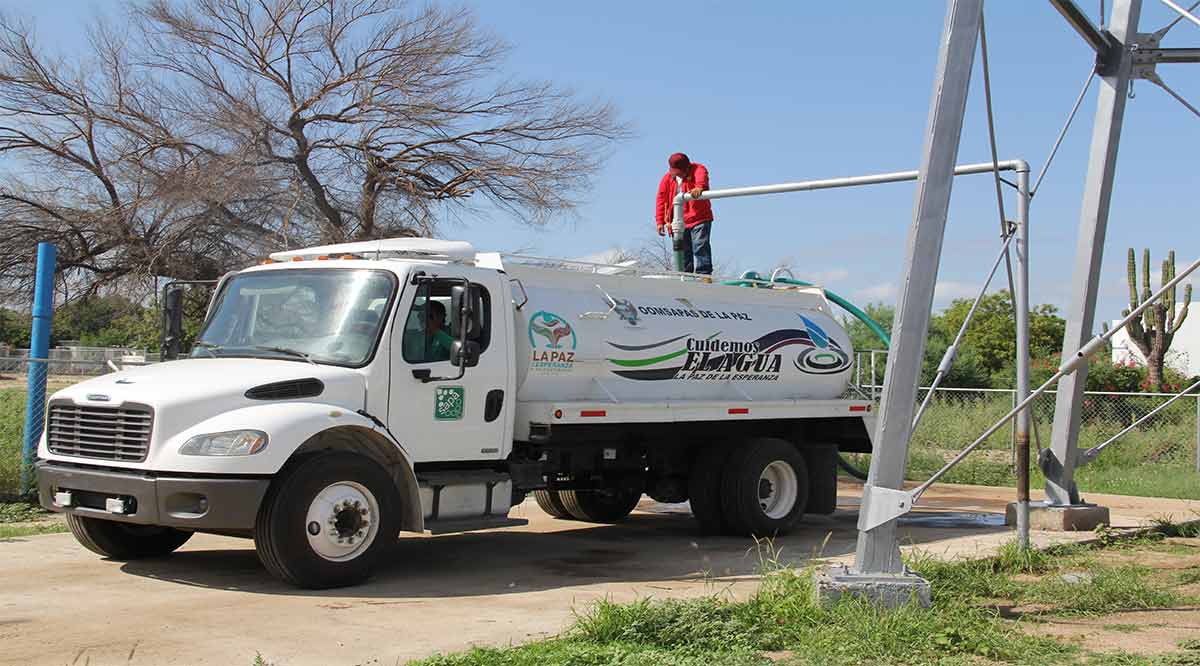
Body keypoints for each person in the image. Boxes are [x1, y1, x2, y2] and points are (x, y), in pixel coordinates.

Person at [655, 152, 714, 275]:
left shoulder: (698, 169)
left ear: (687, 167)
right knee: (683, 252)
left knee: (700, 246)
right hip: (678, 221)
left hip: (699, 217)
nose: (678, 174)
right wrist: (660, 221)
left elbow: (701, 177)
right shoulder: (667, 179)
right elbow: (661, 199)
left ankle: (703, 275)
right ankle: (685, 276)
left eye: (680, 171)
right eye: (675, 171)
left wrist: (700, 187)